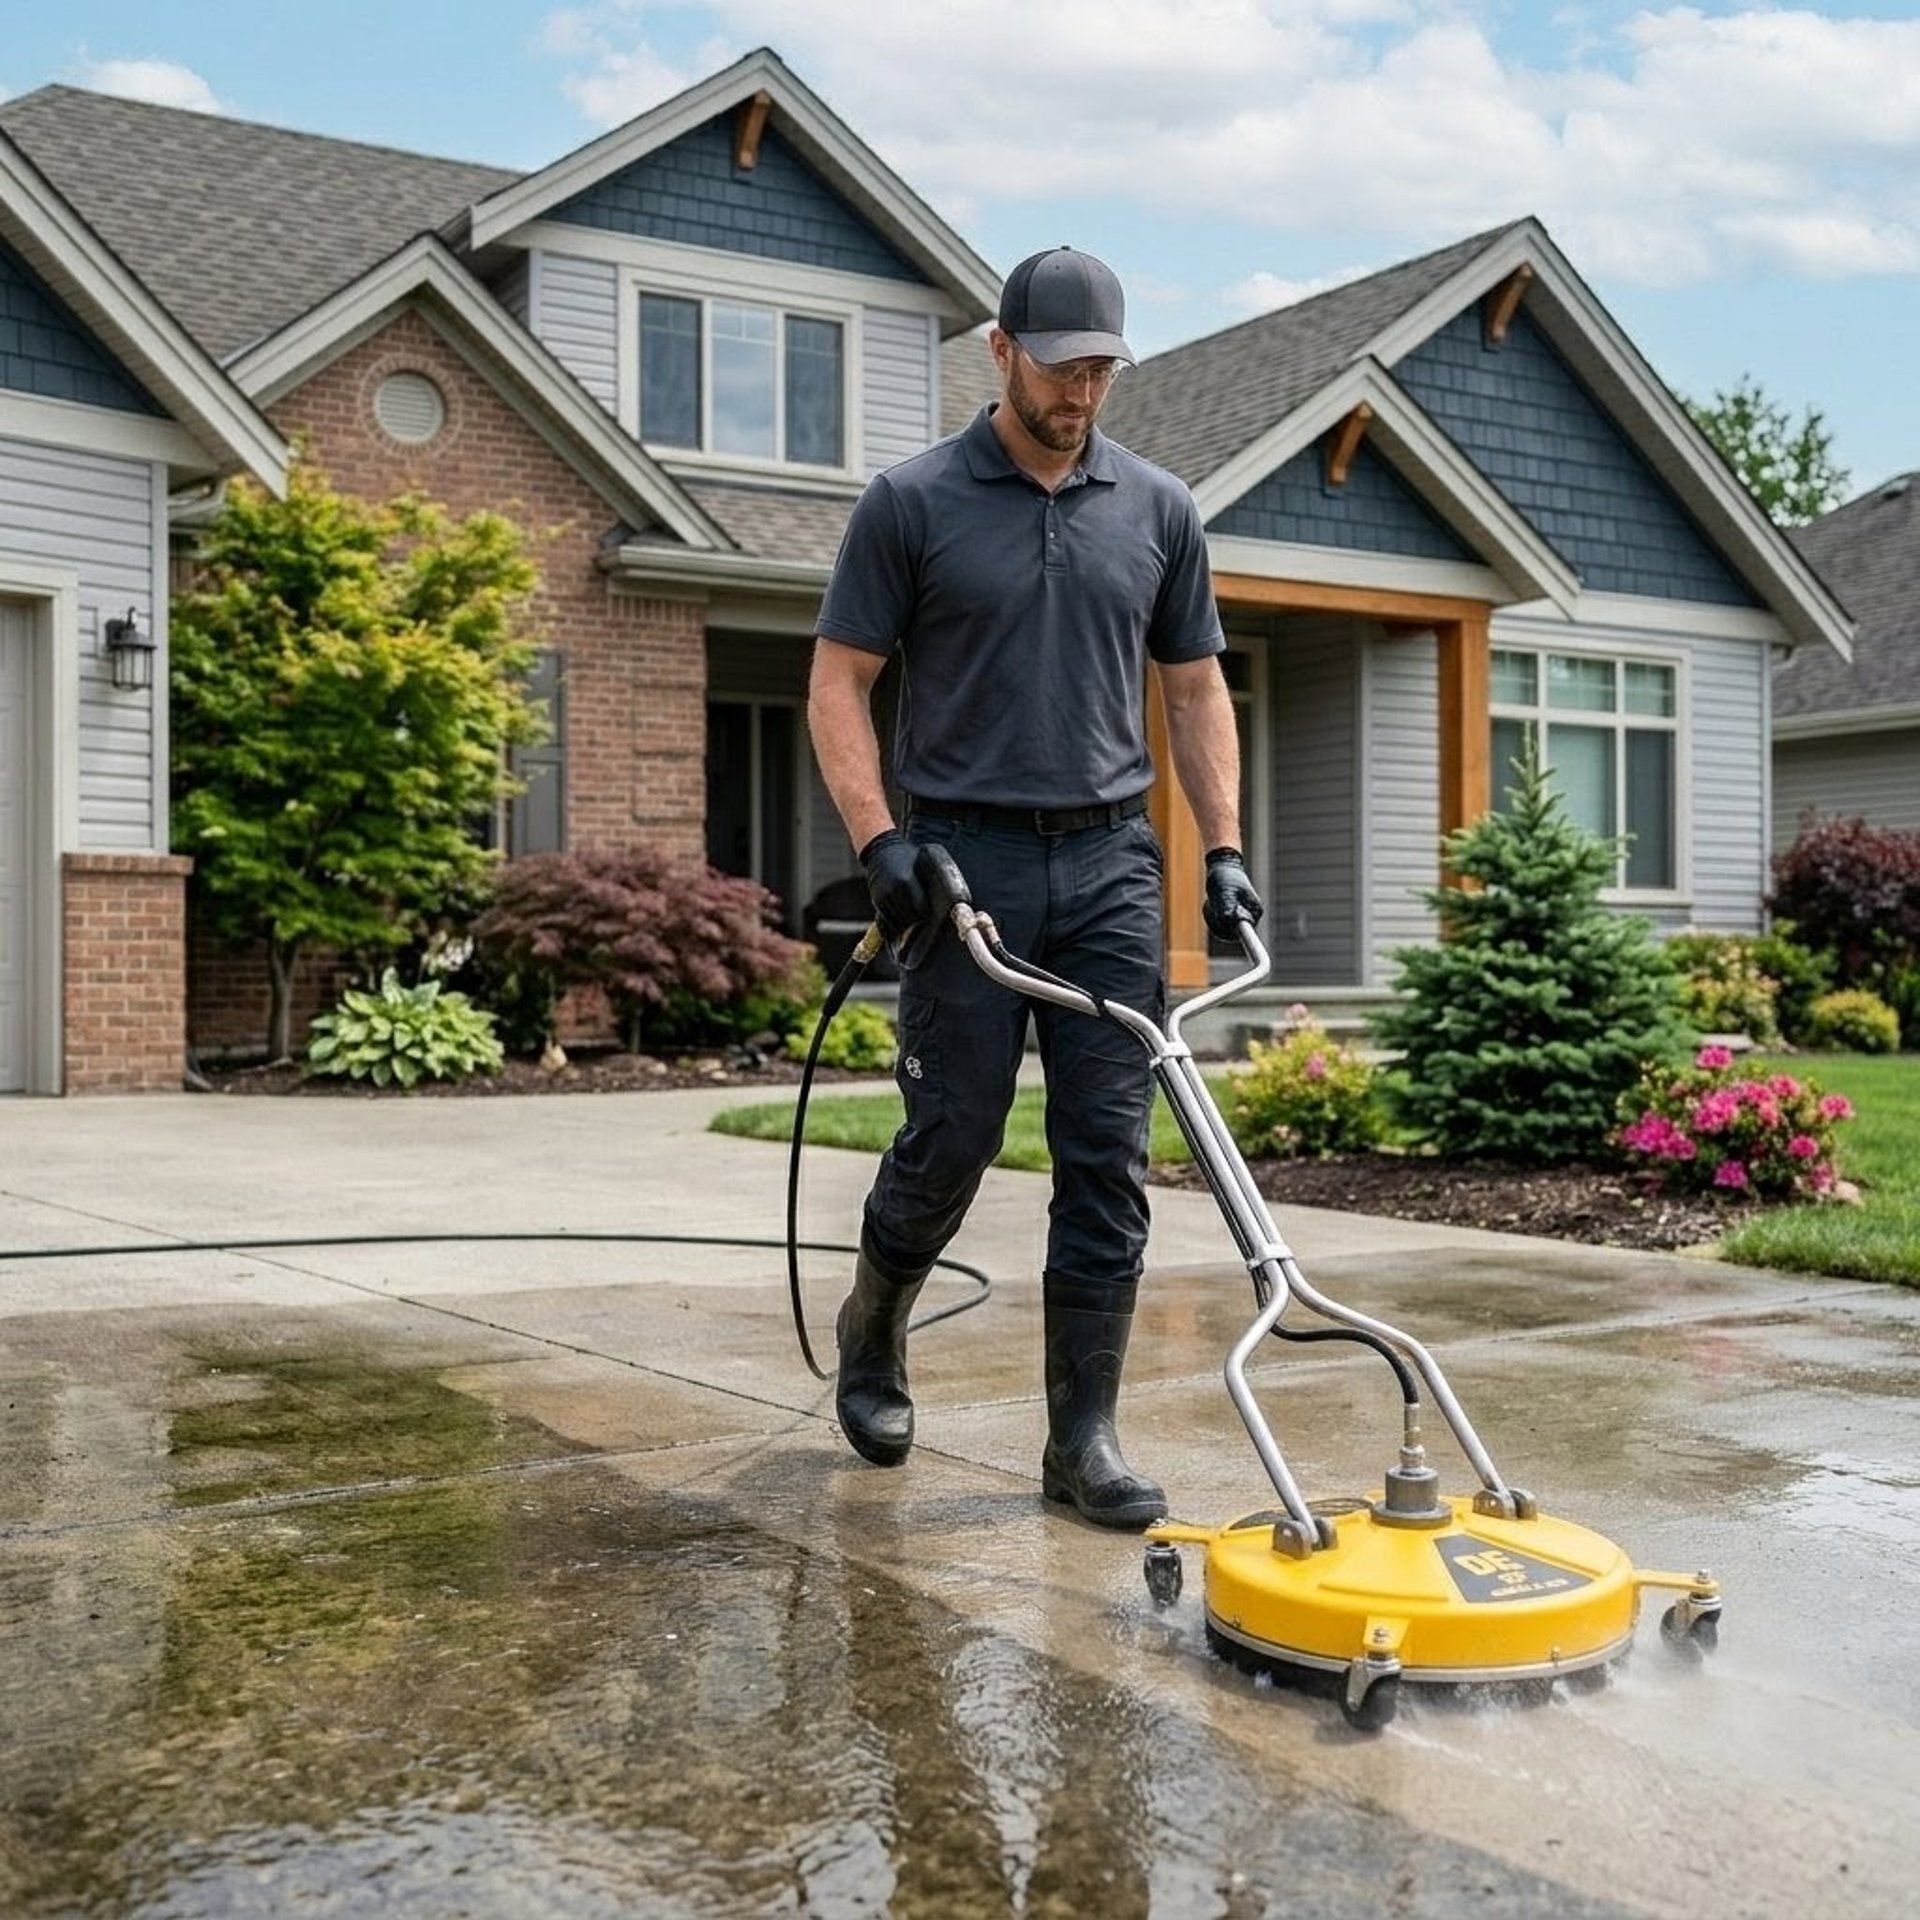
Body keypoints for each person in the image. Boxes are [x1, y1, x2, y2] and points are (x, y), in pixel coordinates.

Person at [806, 245, 1264, 1530]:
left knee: (1106, 1156)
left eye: (1103, 371)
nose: (1082, 394)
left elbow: (1193, 689)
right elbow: (839, 681)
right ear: (1002, 352)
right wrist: (879, 838)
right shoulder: (913, 502)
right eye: (1063, 369)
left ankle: (1082, 1441)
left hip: (1114, 861)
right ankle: (876, 1319)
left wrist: (1222, 848)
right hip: (965, 864)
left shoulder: (1159, 509)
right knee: (951, 1136)